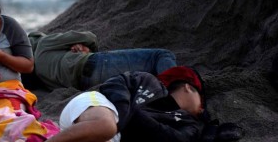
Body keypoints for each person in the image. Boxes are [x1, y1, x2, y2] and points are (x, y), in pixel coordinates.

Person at [0, 66, 210, 142]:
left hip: (113, 138)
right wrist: (128, 115)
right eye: (203, 102)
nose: (202, 110)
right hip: (96, 107)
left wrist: (131, 117)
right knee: (108, 126)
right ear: (189, 89)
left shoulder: (189, 124)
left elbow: (172, 139)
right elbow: (115, 85)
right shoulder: (150, 82)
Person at [28, 30, 177, 91]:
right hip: (94, 65)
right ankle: (177, 91)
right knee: (161, 55)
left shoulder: (39, 78)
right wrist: (87, 48)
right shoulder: (44, 43)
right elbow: (89, 37)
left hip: (87, 84)